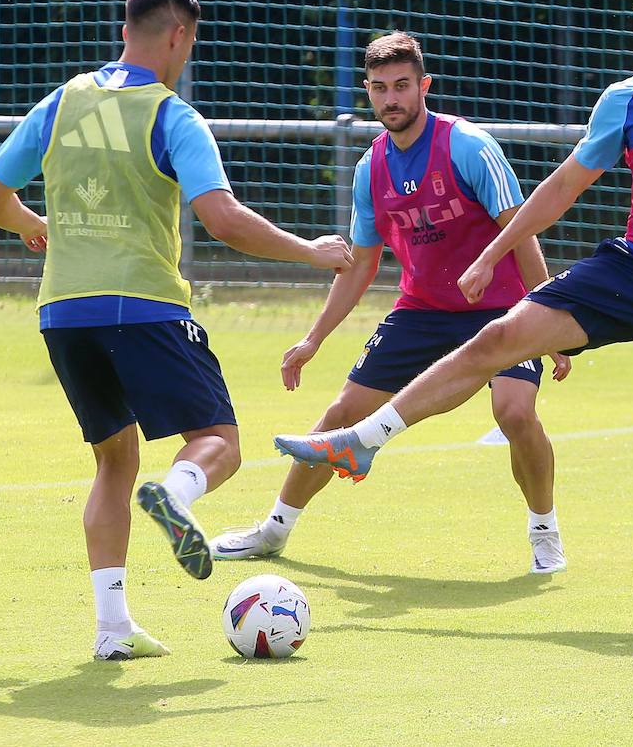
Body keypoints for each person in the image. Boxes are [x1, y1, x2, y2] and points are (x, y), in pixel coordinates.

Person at [274, 0, 633, 623]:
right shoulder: (629, 98)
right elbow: (562, 186)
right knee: (497, 338)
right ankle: (363, 439)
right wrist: (493, 254)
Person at [0, 0, 352, 660]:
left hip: (62, 313)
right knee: (220, 441)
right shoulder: (171, 114)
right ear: (178, 36)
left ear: (129, 28)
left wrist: (35, 225)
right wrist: (311, 251)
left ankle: (112, 630)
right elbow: (224, 219)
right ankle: (177, 494)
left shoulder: (64, 101)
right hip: (144, 307)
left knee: (112, 462)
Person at [211, 32, 571, 575]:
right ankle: (273, 530)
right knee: (340, 414)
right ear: (367, 92)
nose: (391, 99)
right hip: (423, 311)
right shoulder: (370, 167)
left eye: (402, 86)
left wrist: (551, 320)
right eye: (379, 88)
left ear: (424, 86)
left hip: (499, 309)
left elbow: (521, 232)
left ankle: (544, 529)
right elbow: (361, 263)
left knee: (514, 412)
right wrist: (314, 338)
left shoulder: (468, 146)